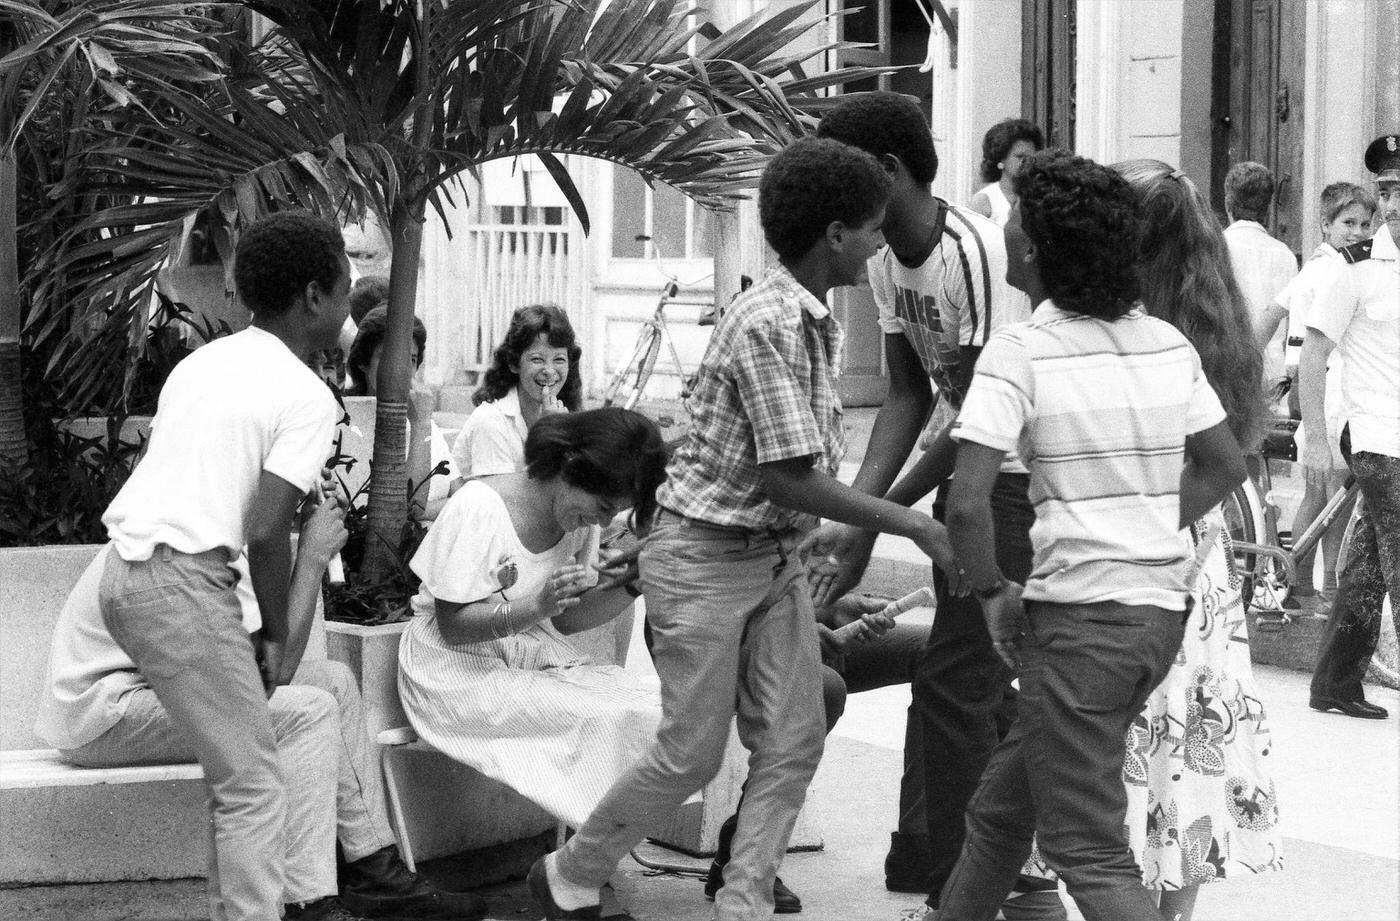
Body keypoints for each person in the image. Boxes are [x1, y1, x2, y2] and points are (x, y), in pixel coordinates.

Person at [529, 136, 955, 921]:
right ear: (834, 234)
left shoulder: (807, 319)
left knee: (792, 739)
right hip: (700, 559)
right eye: (869, 228)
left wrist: (817, 546)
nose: (880, 240)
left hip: (767, 557)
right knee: (689, 752)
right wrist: (909, 525)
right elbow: (786, 475)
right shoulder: (768, 322)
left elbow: (788, 485)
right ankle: (569, 872)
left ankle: (743, 902)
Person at [936, 149, 1247, 921]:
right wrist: (1141, 522)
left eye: (1012, 222)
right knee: (1003, 813)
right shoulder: (1164, 343)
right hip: (1153, 618)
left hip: (1079, 621)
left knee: (1086, 848)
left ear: (1035, 250)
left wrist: (990, 596)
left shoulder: (1021, 349)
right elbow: (1225, 464)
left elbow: (967, 504)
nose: (1000, 230)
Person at [56, 210, 349, 921]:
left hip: (128, 576)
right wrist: (276, 628)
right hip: (185, 581)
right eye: (346, 284)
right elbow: (268, 527)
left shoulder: (201, 364)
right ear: (315, 295)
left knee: (236, 776)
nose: (349, 300)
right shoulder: (307, 395)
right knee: (253, 784)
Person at [814, 92, 1058, 918]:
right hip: (969, 481)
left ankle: (968, 889)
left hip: (1014, 480)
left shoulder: (975, 250)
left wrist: (870, 516)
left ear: (884, 173)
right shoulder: (883, 254)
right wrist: (858, 511)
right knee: (973, 678)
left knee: (960, 681)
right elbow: (907, 394)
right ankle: (982, 862)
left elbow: (983, 416)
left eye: (837, 178)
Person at [36, 497, 486, 921]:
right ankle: (306, 902)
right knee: (307, 710)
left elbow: (258, 663)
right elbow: (278, 671)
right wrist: (310, 556)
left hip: (155, 691)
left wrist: (306, 533)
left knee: (335, 682)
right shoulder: (203, 542)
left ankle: (374, 872)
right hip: (105, 712)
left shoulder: (217, 521)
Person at [1114, 158, 1280, 921]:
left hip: (1132, 555)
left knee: (1133, 749)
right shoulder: (1218, 329)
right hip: (1199, 566)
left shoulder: (1128, 333)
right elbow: (1231, 455)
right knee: (1188, 753)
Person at [397, 408, 667, 828]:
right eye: (602, 507)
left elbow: (567, 622)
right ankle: (585, 854)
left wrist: (636, 581)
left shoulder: (578, 518)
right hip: (449, 668)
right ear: (570, 469)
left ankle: (591, 849)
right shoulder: (480, 507)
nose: (602, 520)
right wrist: (536, 607)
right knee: (600, 717)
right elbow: (452, 626)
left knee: (651, 707)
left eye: (612, 512)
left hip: (525, 651)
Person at [1306, 133, 1400, 720]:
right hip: (1377, 436)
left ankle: (1335, 682)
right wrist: (1316, 437)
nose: (1393, 202)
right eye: (1386, 191)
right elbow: (1314, 352)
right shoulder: (1355, 268)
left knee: (1368, 565)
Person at [1255, 182, 1377, 607]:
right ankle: (1316, 589)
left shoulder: (1317, 267)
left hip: (1321, 391)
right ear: (1325, 225)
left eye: (1366, 223)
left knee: (1322, 494)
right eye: (1348, 223)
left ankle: (1307, 585)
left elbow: (1271, 314)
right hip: (1332, 391)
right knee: (1331, 497)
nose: (1359, 232)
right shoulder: (1336, 270)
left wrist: (1253, 364)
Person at [346, 306, 461, 519]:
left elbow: (461, 498)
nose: (402, 370)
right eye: (388, 357)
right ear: (363, 362)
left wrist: (424, 511)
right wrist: (420, 426)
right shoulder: (349, 422)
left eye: (411, 360)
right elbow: (407, 508)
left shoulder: (422, 418)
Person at [450, 303, 583, 478]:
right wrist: (544, 436)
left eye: (559, 359)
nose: (549, 371)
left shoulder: (563, 413)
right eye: (537, 359)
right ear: (513, 363)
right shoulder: (490, 420)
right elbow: (503, 498)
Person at [1222, 161, 1298, 400]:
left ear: (1227, 203)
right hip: (1272, 374)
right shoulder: (1285, 255)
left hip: (1226, 371)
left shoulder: (1216, 248)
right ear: (1268, 209)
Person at [968, 118, 1045, 227]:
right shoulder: (984, 201)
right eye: (1020, 157)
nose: (1027, 162)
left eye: (1031, 157)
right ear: (1001, 159)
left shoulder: (1039, 197)